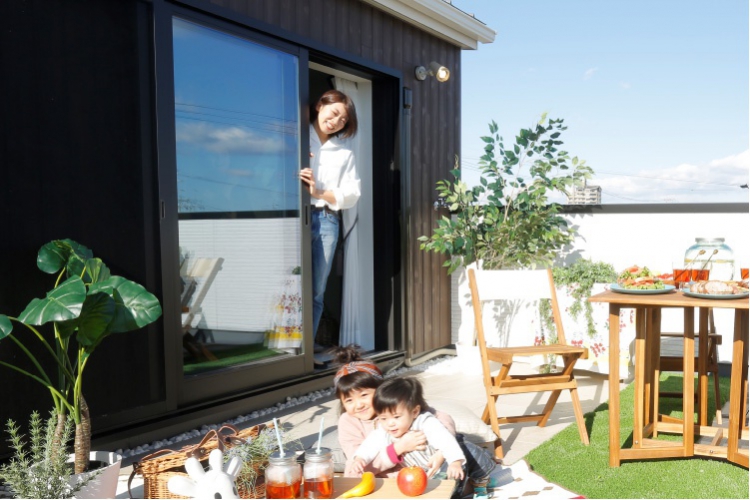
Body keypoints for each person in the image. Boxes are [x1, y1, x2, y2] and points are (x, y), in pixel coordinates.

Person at [349, 377, 496, 499]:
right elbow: (370, 444)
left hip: (446, 460)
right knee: (439, 486)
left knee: (465, 453)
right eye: (383, 418)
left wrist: (455, 461)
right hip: (425, 472)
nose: (390, 423)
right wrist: (360, 458)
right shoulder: (384, 430)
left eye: (396, 417)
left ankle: (481, 481)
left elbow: (446, 440)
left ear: (414, 412)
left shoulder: (425, 422)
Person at [331, 345, 456, 479]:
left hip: (424, 469)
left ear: (380, 390)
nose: (359, 405)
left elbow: (442, 417)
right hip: (388, 480)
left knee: (463, 450)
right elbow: (357, 469)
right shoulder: (349, 421)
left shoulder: (395, 404)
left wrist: (442, 452)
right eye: (349, 400)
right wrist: (398, 448)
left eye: (364, 395)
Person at [299, 90, 360, 352]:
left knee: (316, 290)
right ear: (319, 106)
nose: (335, 122)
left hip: (326, 220)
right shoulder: (297, 139)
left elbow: (352, 194)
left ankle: (306, 350)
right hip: (295, 216)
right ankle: (286, 350)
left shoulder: (344, 154)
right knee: (290, 282)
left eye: (343, 120)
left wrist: (319, 192)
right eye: (333, 113)